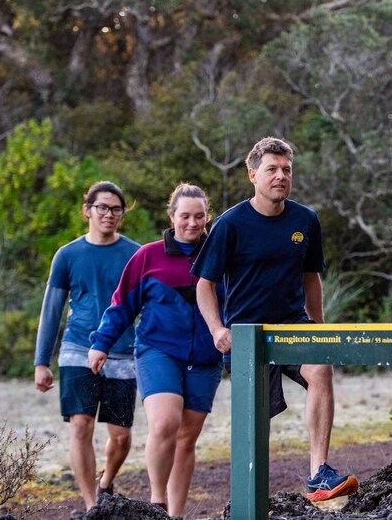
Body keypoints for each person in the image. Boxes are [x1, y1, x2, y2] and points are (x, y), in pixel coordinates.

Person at [192, 136, 359, 503]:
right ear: (253, 175)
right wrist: (217, 329)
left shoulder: (305, 220)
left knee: (320, 368)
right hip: (247, 335)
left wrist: (318, 327)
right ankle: (249, 499)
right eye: (272, 169)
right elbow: (204, 285)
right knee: (256, 425)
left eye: (286, 169)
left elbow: (311, 276)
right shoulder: (229, 224)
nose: (280, 176)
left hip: (292, 325)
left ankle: (318, 473)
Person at [88, 183, 223, 515]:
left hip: (206, 359)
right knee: (164, 424)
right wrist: (101, 344)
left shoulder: (220, 256)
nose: (192, 223)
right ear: (172, 215)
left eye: (199, 216)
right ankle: (157, 501)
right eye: (185, 216)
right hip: (157, 351)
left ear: (208, 217)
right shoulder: (148, 256)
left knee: (186, 439)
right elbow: (122, 305)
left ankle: (175, 514)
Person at [34, 181, 141, 512]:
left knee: (121, 436)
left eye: (116, 209)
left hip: (123, 351)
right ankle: (92, 505)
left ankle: (106, 481)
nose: (109, 214)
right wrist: (41, 361)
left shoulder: (136, 254)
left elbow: (149, 304)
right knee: (81, 426)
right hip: (77, 348)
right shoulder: (67, 255)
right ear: (87, 211)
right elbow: (52, 310)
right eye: (102, 208)